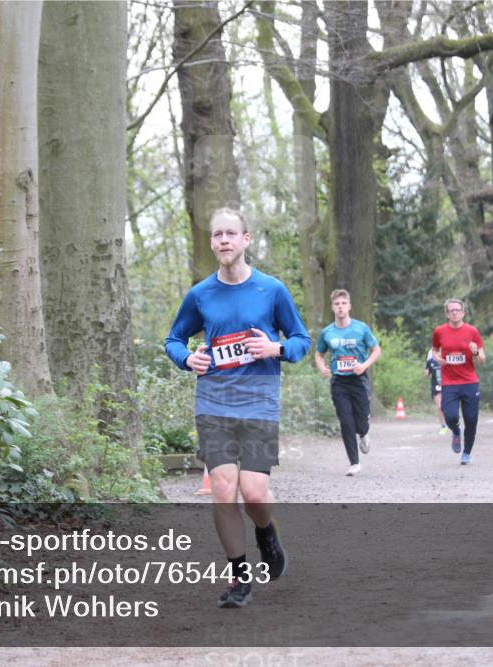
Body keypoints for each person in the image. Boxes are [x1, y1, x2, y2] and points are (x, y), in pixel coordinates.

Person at [164, 207, 311, 609]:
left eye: (231, 233)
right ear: (212, 243)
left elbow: (301, 339)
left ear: (246, 240)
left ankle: (266, 531)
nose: (224, 240)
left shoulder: (271, 290)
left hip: (259, 402)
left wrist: (276, 348)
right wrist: (186, 358)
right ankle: (239, 577)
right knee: (224, 489)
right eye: (218, 235)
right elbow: (173, 340)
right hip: (213, 403)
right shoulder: (200, 294)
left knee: (254, 492)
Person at [315, 289, 382, 476]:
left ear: (349, 306)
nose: (340, 307)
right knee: (346, 421)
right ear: (332, 307)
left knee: (361, 423)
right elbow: (319, 354)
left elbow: (376, 350)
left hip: (358, 380)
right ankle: (354, 463)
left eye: (344, 303)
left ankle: (364, 433)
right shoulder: (327, 332)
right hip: (339, 382)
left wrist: (364, 365)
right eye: (337, 304)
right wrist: (322, 368)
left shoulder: (361, 328)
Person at [431, 298, 486, 465]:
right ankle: (455, 431)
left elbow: (483, 359)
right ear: (447, 314)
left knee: (471, 419)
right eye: (451, 310)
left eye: (457, 310)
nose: (455, 313)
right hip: (449, 382)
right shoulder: (439, 331)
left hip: (470, 382)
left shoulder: (472, 331)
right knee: (450, 415)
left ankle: (466, 453)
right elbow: (434, 350)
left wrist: (475, 353)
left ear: (463, 313)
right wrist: (437, 358)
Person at [424, 348, 447, 434]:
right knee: (440, 406)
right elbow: (427, 373)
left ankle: (452, 422)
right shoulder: (431, 361)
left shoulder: (446, 360)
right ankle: (443, 426)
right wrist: (426, 373)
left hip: (448, 386)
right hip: (436, 386)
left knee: (449, 406)